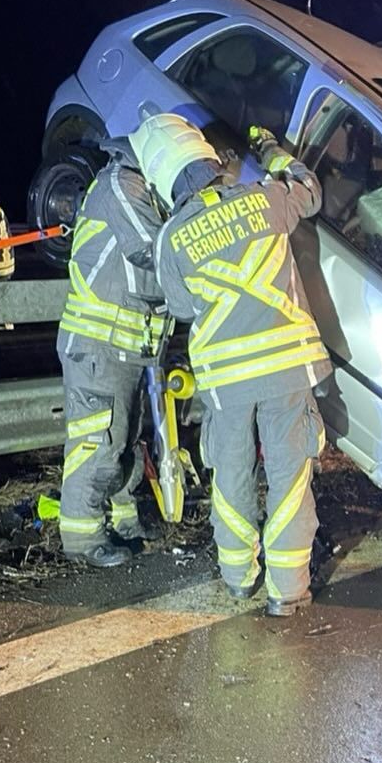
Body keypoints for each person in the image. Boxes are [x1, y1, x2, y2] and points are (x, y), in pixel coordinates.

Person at [134, 113, 328, 615]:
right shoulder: (266, 197)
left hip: (226, 382)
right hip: (286, 366)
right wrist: (269, 148)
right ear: (210, 161)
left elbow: (178, 307)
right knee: (288, 475)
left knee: (232, 474)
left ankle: (239, 577)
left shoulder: (171, 237)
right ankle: (287, 591)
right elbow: (309, 188)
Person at [56, 138, 167, 567]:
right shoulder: (121, 185)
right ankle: (83, 539)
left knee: (124, 439)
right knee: (97, 440)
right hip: (99, 346)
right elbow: (152, 252)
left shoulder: (141, 190)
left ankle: (123, 520)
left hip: (128, 346)